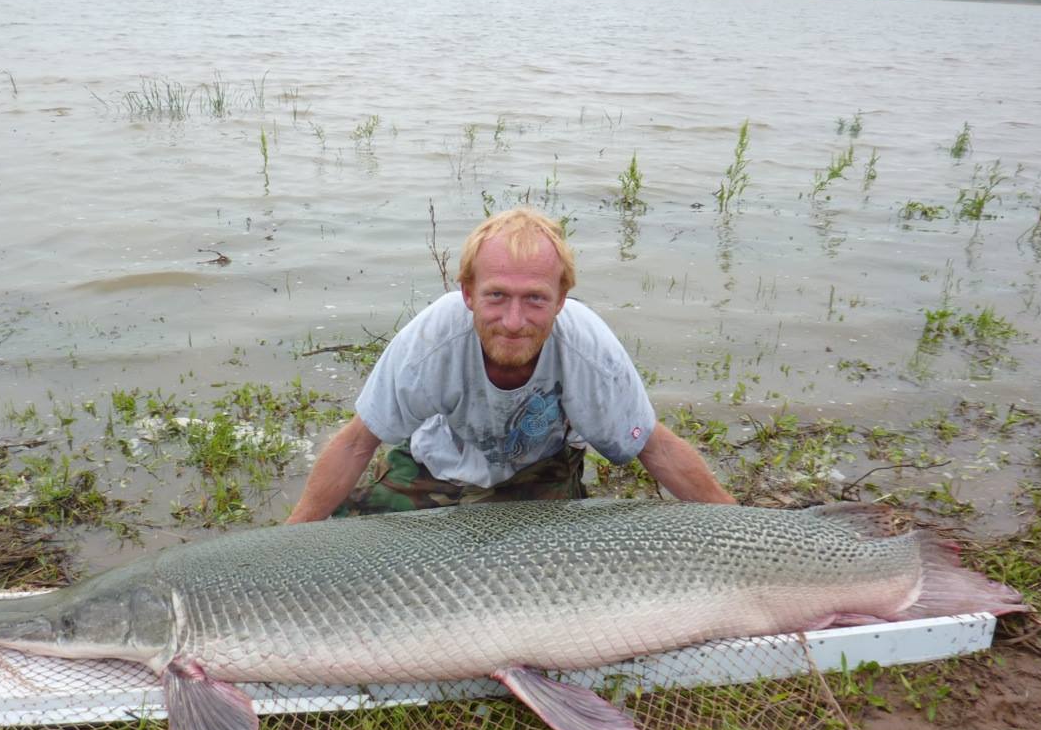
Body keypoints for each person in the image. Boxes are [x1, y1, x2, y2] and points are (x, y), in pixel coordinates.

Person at [286, 207, 734, 523]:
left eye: (535, 299)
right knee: (348, 539)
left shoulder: (587, 349)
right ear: (467, 293)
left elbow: (653, 447)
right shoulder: (430, 340)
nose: (514, 322)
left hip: (537, 473)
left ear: (560, 299)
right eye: (496, 295)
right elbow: (355, 444)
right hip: (437, 467)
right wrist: (294, 539)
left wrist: (741, 527)